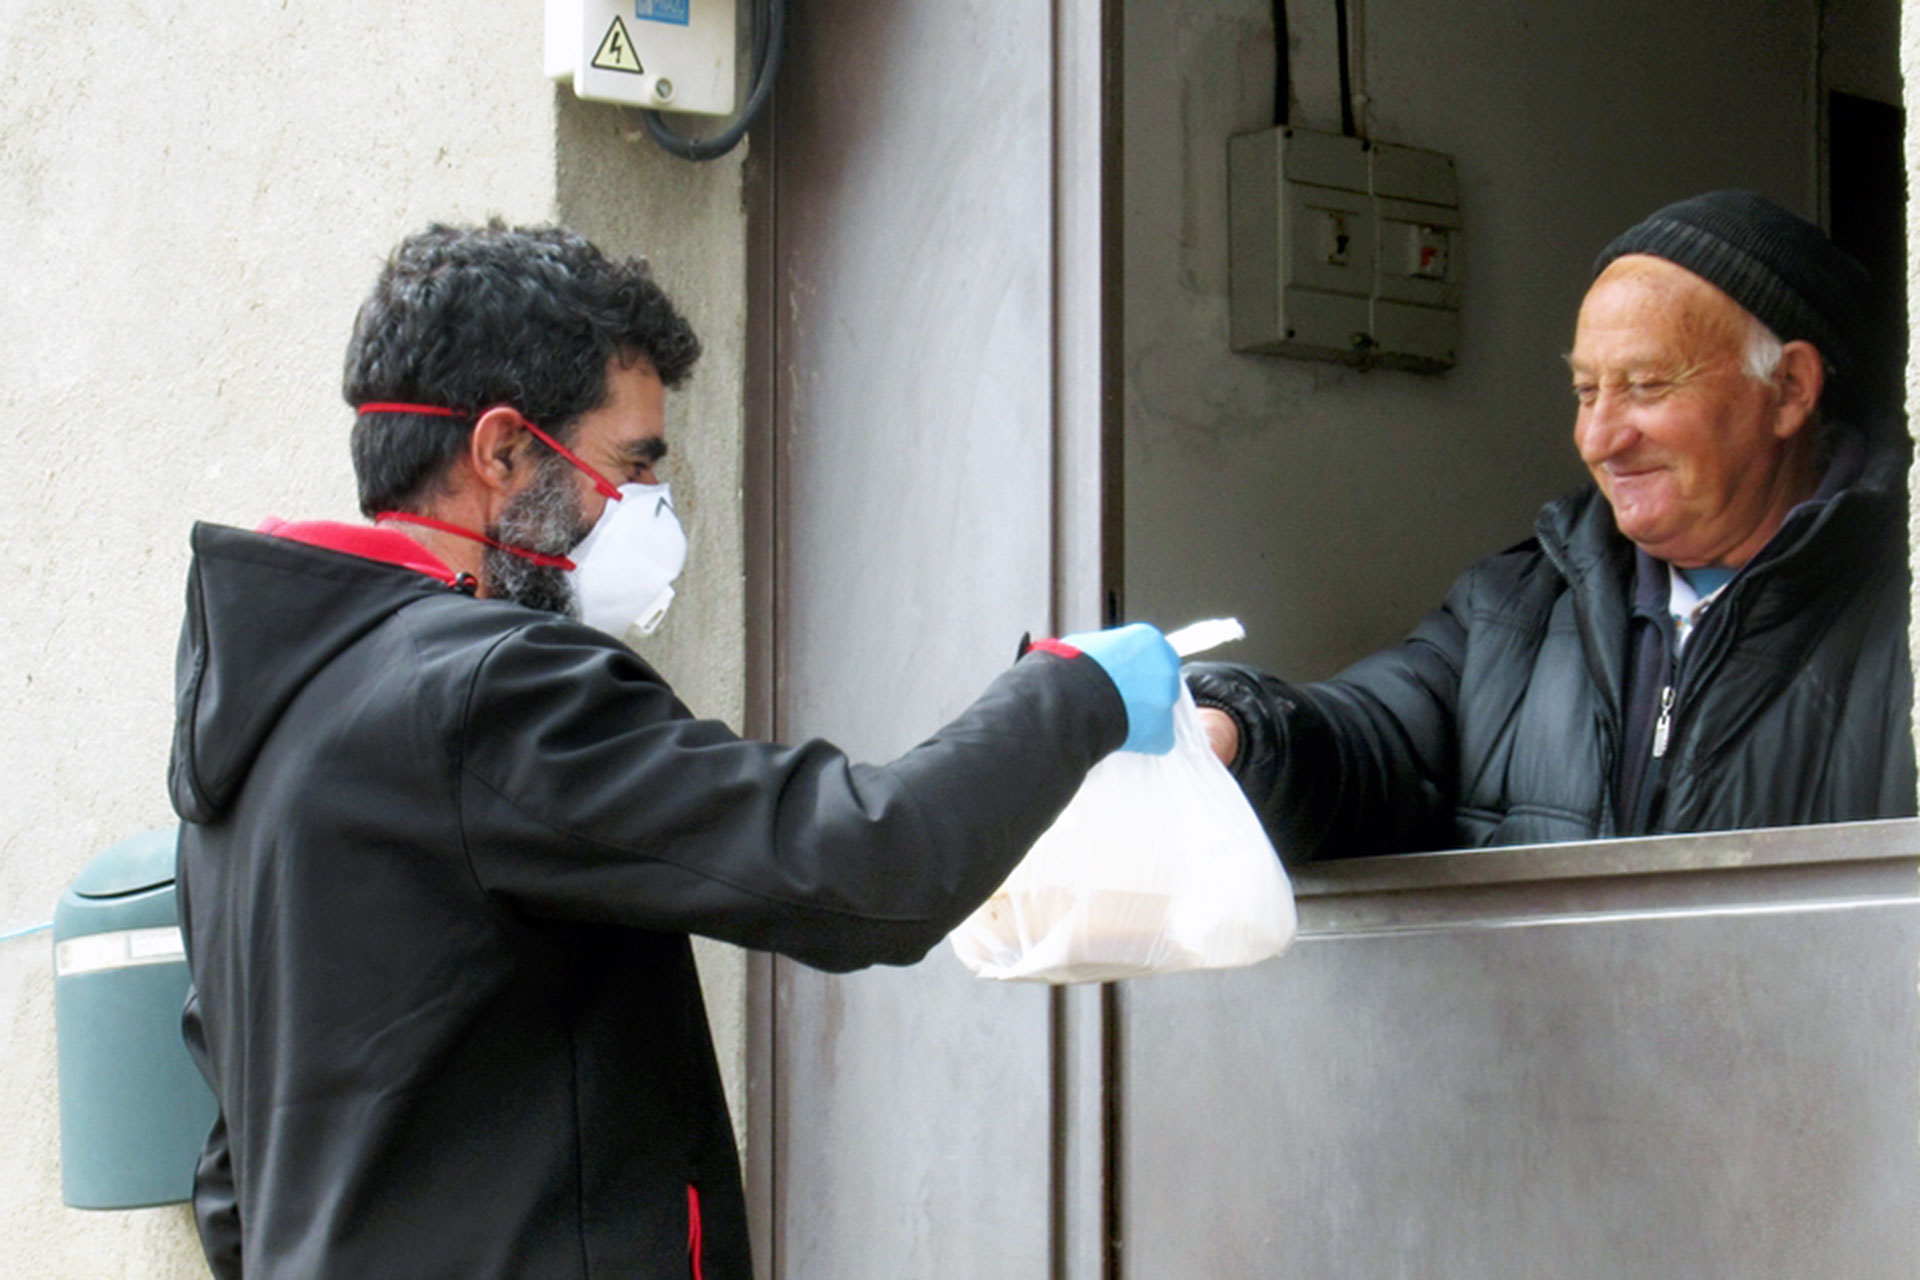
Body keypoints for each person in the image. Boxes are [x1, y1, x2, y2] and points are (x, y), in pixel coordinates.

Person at [167, 221, 1178, 1279]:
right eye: (630, 466)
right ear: (502, 449)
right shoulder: (491, 690)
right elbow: (867, 862)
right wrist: (1075, 690)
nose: (651, 511)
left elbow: (236, 1178)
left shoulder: (263, 730)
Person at [1188, 190, 1915, 859]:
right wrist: (1233, 731)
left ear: (1788, 390)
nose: (1599, 438)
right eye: (1586, 390)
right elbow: (1372, 739)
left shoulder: (1900, 617)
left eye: (1646, 386)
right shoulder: (1511, 611)